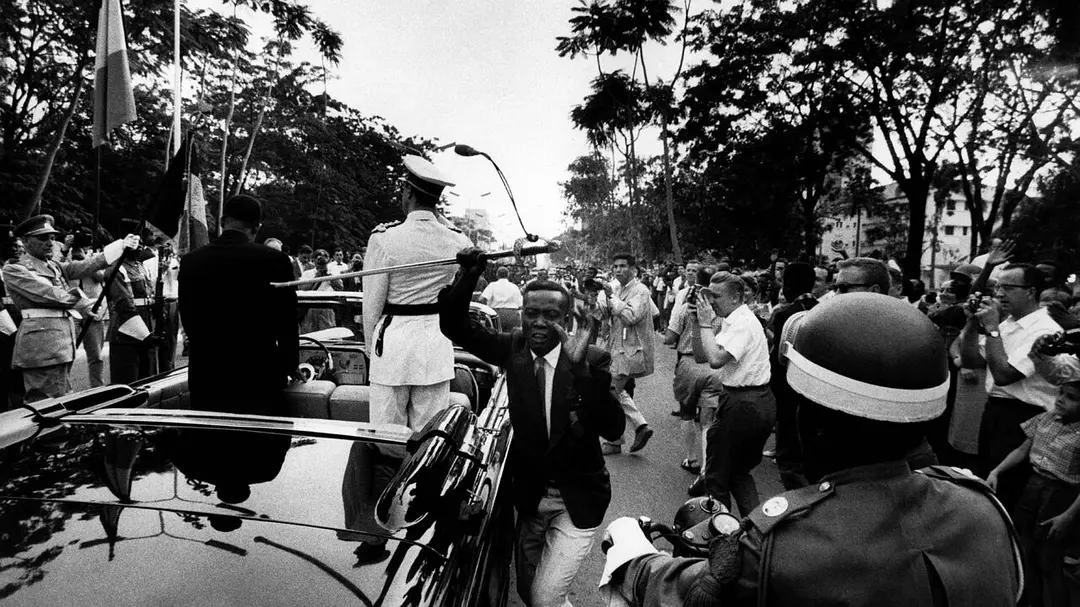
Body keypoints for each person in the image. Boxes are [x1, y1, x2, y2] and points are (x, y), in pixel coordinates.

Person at [600, 294, 1023, 607]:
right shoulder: (984, 510)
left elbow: (677, 590)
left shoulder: (783, 542)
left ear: (811, 423)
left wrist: (629, 547)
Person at [440, 248, 624, 607]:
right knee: (529, 593)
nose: (539, 323)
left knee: (543, 597)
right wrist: (469, 274)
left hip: (577, 502)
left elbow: (614, 428)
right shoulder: (514, 347)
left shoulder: (592, 359)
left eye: (551, 315)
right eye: (531, 314)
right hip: (529, 498)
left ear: (566, 319)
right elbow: (454, 325)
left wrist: (581, 370)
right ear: (522, 314)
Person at [361, 155, 473, 430]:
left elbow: (372, 304)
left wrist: (370, 348)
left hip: (393, 345)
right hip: (436, 343)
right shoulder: (457, 239)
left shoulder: (384, 238)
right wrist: (436, 215)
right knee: (429, 434)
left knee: (386, 433)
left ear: (408, 191)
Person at [179, 195, 299, 414]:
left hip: (207, 374)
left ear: (222, 221)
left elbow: (188, 317)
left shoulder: (191, 261)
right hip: (258, 374)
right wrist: (290, 363)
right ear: (256, 228)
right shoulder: (275, 260)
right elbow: (287, 320)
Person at [959, 262, 1062, 513]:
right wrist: (972, 323)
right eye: (998, 287)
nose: (999, 294)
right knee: (986, 479)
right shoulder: (1007, 324)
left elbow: (1004, 375)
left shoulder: (1046, 330)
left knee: (1008, 490)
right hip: (995, 411)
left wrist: (992, 329)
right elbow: (972, 360)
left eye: (1008, 287)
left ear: (1031, 291)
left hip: (1024, 418)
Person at [2, 215, 138, 402]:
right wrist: (82, 301)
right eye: (42, 238)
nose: (50, 243)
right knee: (44, 402)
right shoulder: (16, 269)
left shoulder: (54, 266)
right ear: (25, 241)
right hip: (41, 346)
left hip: (59, 344)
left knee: (62, 399)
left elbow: (87, 265)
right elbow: (48, 294)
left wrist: (120, 246)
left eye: (52, 238)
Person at [988, 376, 1080, 607]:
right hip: (1034, 487)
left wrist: (1068, 516)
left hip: (1061, 495)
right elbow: (1022, 451)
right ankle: (1031, 601)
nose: (1061, 400)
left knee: (1049, 560)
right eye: (1061, 393)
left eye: (1071, 398)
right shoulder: (1046, 418)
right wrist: (997, 471)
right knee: (1026, 550)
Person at [690, 272, 775, 514]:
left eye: (716, 296)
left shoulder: (742, 323)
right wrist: (697, 323)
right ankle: (755, 528)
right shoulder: (736, 320)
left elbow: (715, 359)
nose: (710, 301)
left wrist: (705, 323)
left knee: (716, 476)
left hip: (743, 403)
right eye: (708, 295)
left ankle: (723, 530)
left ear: (736, 297)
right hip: (754, 401)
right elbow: (701, 355)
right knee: (738, 473)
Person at [766, 262, 818, 490]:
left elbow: (779, 356)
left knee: (788, 453)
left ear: (788, 285)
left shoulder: (785, 314)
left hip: (789, 387)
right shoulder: (823, 310)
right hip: (816, 388)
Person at [600, 253, 655, 455]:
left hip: (630, 351)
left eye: (623, 266)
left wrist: (612, 299)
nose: (618, 270)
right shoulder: (618, 289)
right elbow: (609, 315)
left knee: (608, 392)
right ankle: (639, 426)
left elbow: (631, 316)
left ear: (633, 269)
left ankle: (616, 439)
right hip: (617, 348)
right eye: (615, 266)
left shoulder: (641, 290)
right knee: (612, 389)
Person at [107, 237, 160, 385]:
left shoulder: (141, 267)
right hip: (126, 329)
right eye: (136, 244)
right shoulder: (116, 269)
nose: (140, 247)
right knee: (127, 379)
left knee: (147, 378)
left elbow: (148, 293)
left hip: (146, 325)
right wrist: (144, 333)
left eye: (141, 244)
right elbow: (124, 303)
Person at [68, 229, 108, 388]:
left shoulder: (94, 258)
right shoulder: (63, 257)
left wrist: (86, 260)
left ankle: (97, 387)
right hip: (72, 310)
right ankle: (66, 389)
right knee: (67, 354)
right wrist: (66, 251)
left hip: (93, 308)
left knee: (96, 355)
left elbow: (102, 277)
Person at [480, 265, 524, 330]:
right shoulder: (514, 287)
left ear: (497, 275)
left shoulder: (492, 285)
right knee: (513, 335)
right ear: (508, 275)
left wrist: (487, 309)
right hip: (513, 315)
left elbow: (483, 299)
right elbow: (520, 305)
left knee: (495, 334)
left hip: (496, 314)